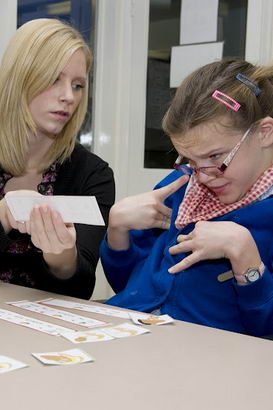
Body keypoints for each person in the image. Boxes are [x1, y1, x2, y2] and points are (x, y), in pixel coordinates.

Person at [100, 58, 273, 337]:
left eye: (215, 157)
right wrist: (117, 231)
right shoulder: (182, 185)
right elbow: (132, 290)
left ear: (265, 133)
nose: (203, 176)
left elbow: (265, 334)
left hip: (211, 359)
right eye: (189, 160)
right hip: (134, 335)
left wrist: (246, 258)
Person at [0, 18, 115, 299]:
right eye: (54, 79)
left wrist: (63, 257)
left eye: (78, 85)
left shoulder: (92, 174)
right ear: (20, 78)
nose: (68, 97)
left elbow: (80, 289)